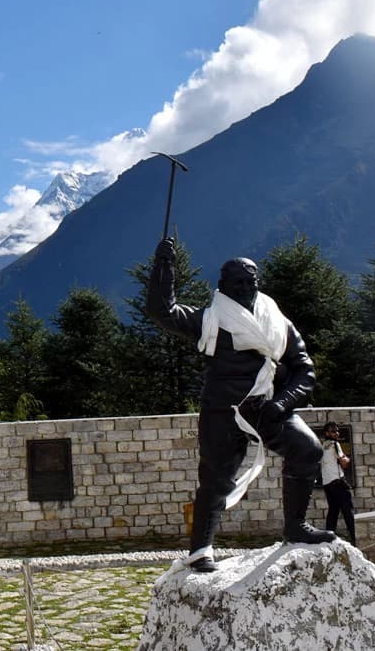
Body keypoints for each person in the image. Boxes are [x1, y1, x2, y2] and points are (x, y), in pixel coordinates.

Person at [147, 237, 336, 573]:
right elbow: (164, 312)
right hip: (223, 412)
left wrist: (282, 403)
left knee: (308, 450)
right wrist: (165, 268)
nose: (247, 287)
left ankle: (296, 526)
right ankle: (201, 548)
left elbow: (304, 370)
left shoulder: (278, 323)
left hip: (267, 408)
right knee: (216, 479)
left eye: (252, 281)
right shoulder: (210, 321)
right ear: (224, 287)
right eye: (239, 282)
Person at [320, 421, 356, 544]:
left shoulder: (322, 445)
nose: (336, 433)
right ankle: (355, 539)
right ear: (327, 433)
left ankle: (329, 541)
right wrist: (347, 458)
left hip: (327, 484)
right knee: (348, 512)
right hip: (338, 482)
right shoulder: (335, 444)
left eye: (337, 431)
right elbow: (344, 463)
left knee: (333, 512)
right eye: (333, 431)